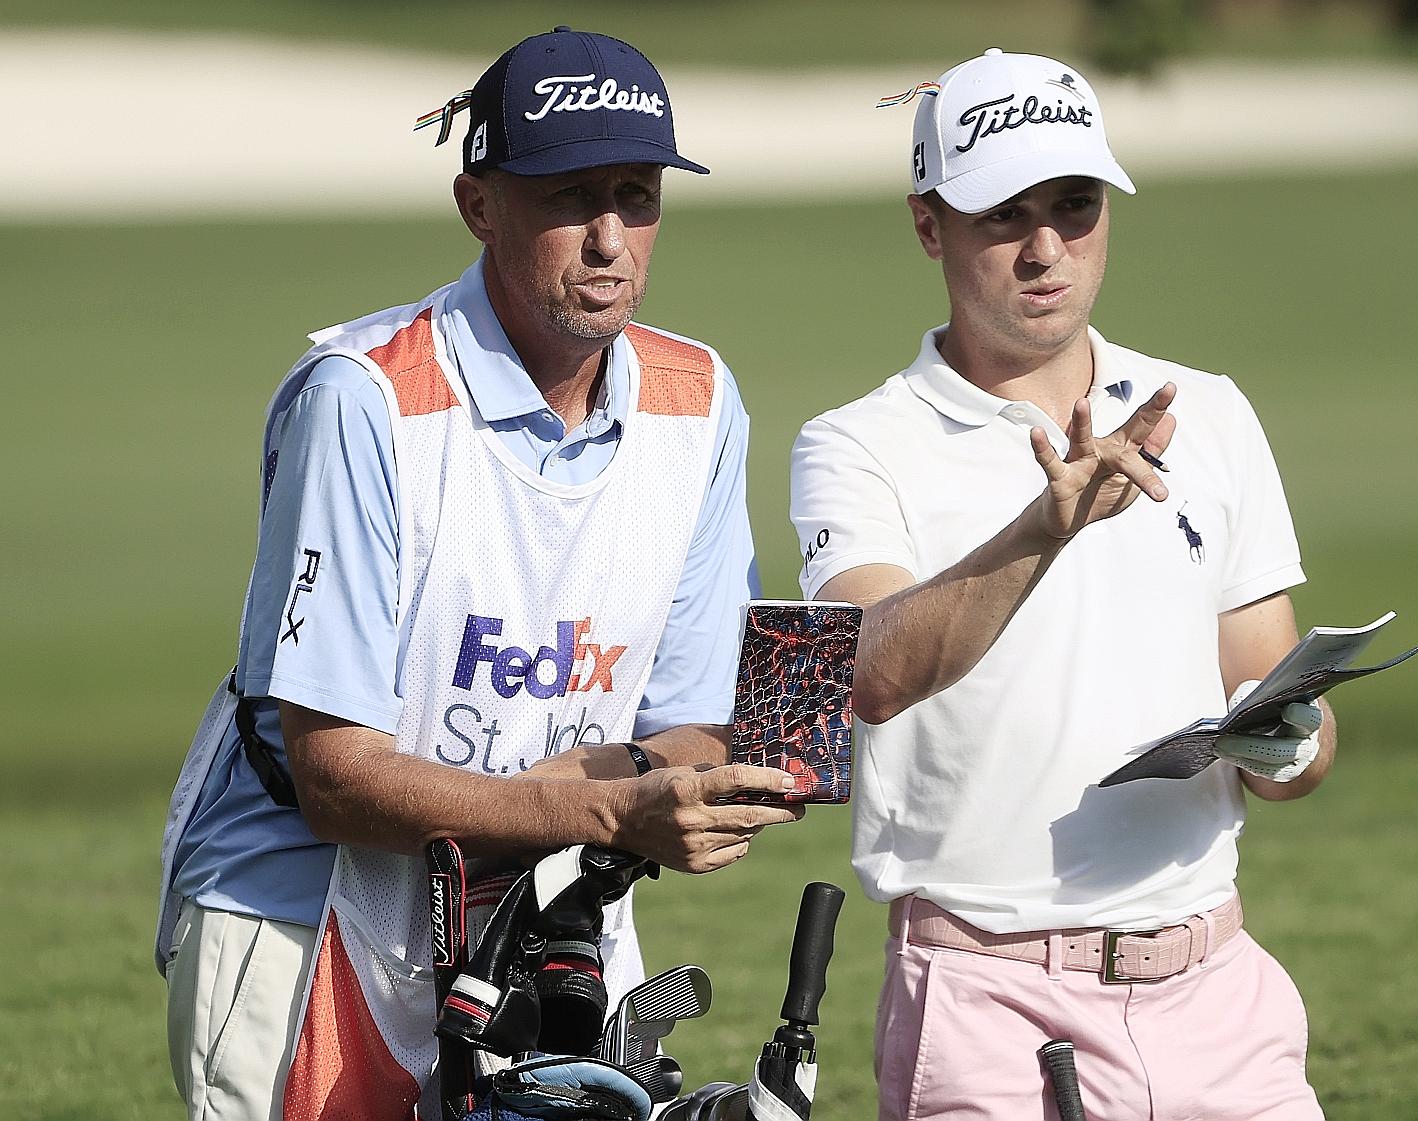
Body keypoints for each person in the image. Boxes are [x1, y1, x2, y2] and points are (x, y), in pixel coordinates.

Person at [155, 27, 801, 1121]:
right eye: (569, 196)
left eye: (636, 196)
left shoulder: (700, 399)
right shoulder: (363, 397)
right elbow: (334, 776)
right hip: (308, 918)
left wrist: (645, 794)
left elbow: (693, 720)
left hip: (553, 914)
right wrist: (608, 805)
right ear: (478, 204)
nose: (610, 238)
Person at [790, 49, 1336, 1121]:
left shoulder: (1209, 411)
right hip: (988, 995)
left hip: (1220, 992)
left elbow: (1279, 702)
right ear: (929, 224)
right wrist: (1047, 527)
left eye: (1074, 205)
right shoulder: (856, 443)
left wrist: (1293, 742)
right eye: (1004, 213)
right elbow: (871, 672)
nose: (1046, 249)